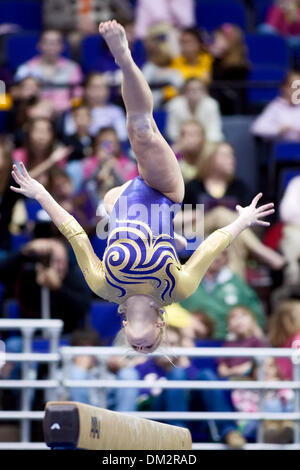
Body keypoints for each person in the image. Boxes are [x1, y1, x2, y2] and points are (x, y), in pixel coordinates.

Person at [10, 20, 275, 355]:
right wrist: (242, 221)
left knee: (112, 200)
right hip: (163, 193)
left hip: (121, 203)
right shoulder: (175, 290)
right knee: (142, 130)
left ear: (123, 326)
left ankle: (167, 235)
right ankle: (125, 59)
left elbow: (75, 233)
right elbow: (210, 247)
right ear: (159, 326)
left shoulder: (105, 287)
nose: (140, 346)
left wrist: (40, 193)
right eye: (148, 345)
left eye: (136, 346)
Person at [180, 249, 266, 339]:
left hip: (230, 343)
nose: (218, 257)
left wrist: (247, 325)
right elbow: (170, 307)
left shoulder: (238, 285)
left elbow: (257, 316)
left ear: (227, 258)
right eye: (212, 252)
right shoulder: (185, 280)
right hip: (192, 341)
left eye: (223, 253)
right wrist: (185, 320)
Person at [15, 30, 83, 113]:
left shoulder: (73, 68)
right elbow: (17, 94)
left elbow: (78, 97)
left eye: (55, 42)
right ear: (39, 45)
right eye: (47, 42)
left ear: (62, 46)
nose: (51, 46)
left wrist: (63, 107)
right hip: (33, 113)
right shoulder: (26, 69)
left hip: (65, 113)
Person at [61, 72, 127, 142]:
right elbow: (69, 133)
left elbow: (122, 136)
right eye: (94, 87)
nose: (97, 91)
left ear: (108, 91)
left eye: (101, 87)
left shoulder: (116, 112)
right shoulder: (75, 110)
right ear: (85, 90)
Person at [166, 77, 224, 143]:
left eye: (198, 89)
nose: (194, 92)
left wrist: (200, 143)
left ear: (205, 92)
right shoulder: (174, 105)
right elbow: (172, 131)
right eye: (190, 89)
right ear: (184, 92)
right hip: (182, 143)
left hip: (206, 143)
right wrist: (187, 142)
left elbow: (215, 130)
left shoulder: (211, 104)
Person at [209, 23, 250, 115]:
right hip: (218, 106)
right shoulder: (215, 61)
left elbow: (222, 84)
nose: (214, 43)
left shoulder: (239, 66)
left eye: (217, 40)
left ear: (231, 42)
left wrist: (216, 59)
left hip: (233, 109)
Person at [251, 71, 300, 141]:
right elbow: (257, 128)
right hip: (282, 148)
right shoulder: (275, 107)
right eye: (296, 87)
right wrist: (279, 129)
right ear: (285, 88)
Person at [279, 175, 300, 285]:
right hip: (297, 230)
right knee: (294, 239)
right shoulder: (297, 183)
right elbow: (287, 214)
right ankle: (292, 291)